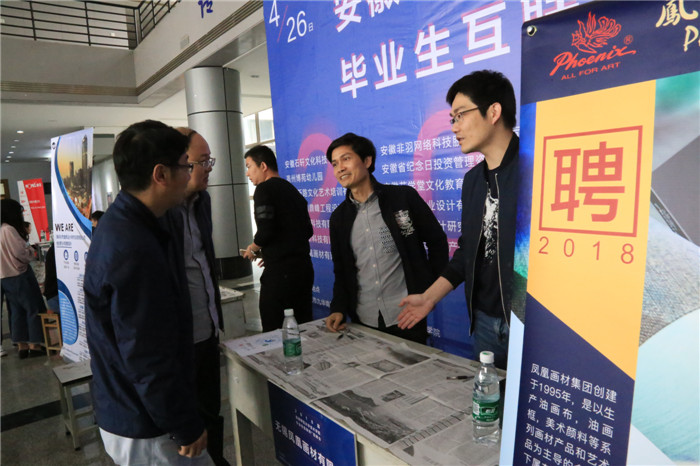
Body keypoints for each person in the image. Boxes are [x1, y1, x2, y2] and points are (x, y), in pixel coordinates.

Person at [84, 120, 211, 465]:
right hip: (146, 424)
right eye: (185, 166)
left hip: (134, 408)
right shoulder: (133, 246)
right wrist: (184, 423)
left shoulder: (126, 223)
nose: (190, 175)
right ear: (161, 174)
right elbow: (146, 354)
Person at [398, 70, 519, 369]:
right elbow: (468, 251)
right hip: (484, 320)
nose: (454, 127)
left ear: (493, 112)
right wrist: (429, 297)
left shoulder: (536, 169)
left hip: (528, 324)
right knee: (490, 396)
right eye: (452, 118)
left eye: (461, 115)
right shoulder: (473, 181)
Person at [324, 133, 449, 344]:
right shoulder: (339, 218)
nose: (340, 168)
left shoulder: (403, 198)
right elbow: (342, 270)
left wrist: (429, 291)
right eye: (335, 164)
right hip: (363, 318)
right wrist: (338, 308)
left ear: (367, 161)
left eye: (346, 159)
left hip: (407, 315)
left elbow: (437, 242)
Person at [163, 127, 228, 466]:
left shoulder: (203, 201)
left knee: (211, 408)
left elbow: (204, 262)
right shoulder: (160, 212)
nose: (208, 169)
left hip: (207, 329)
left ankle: (216, 458)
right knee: (186, 420)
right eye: (203, 162)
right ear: (179, 163)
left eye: (209, 161)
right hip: (178, 337)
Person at [242, 145, 314, 332]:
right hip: (303, 270)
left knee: (274, 328)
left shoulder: (264, 189)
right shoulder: (291, 190)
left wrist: (253, 248)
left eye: (249, 167)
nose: (247, 173)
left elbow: (266, 230)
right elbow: (307, 231)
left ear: (263, 166)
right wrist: (273, 252)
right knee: (303, 326)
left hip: (280, 276)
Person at [0, 199, 45, 359]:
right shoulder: (9, 229)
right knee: (32, 308)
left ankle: (22, 345)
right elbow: (20, 252)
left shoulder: (2, 229)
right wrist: (31, 252)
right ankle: (35, 344)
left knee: (17, 311)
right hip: (20, 275)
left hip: (5, 277)